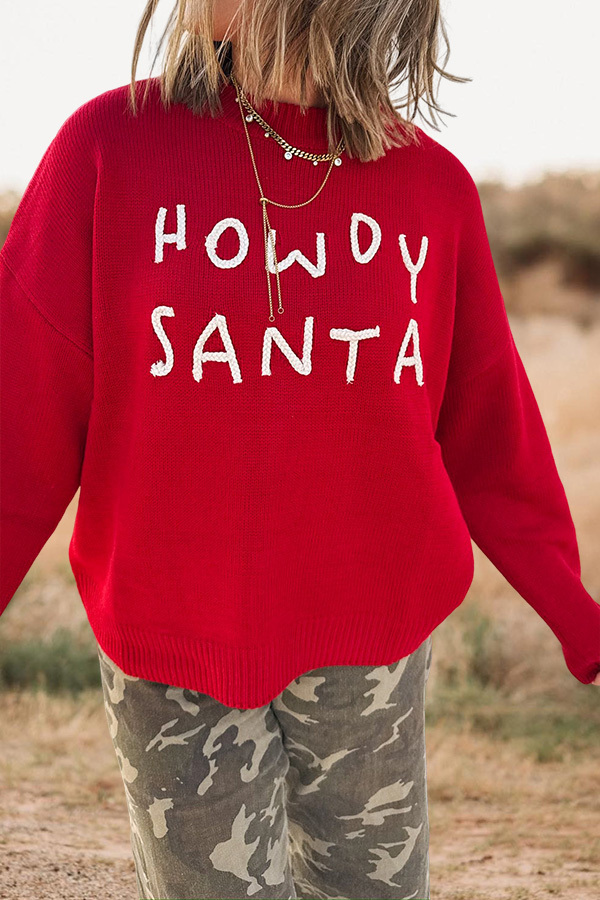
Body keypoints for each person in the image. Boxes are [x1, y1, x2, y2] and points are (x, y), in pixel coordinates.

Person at [1, 1, 599, 898]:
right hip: (170, 640)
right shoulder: (107, 150)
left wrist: (577, 616)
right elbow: (22, 413)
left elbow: (488, 426)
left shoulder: (432, 188)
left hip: (372, 645)